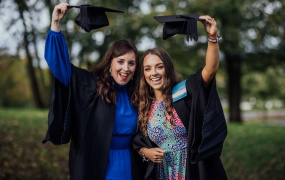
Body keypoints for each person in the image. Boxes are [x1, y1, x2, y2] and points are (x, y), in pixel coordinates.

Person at [42, 2, 142, 180]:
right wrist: (56, 23)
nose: (126, 68)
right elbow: (60, 66)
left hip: (130, 163)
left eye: (131, 63)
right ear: (110, 62)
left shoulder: (138, 93)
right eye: (120, 61)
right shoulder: (92, 85)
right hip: (97, 164)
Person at [132, 15, 228, 180]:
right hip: (161, 172)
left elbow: (210, 70)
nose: (153, 73)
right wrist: (145, 151)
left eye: (159, 67)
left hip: (191, 169)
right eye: (147, 69)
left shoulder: (184, 92)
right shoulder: (143, 105)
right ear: (143, 74)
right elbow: (137, 140)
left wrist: (212, 37)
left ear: (167, 69)